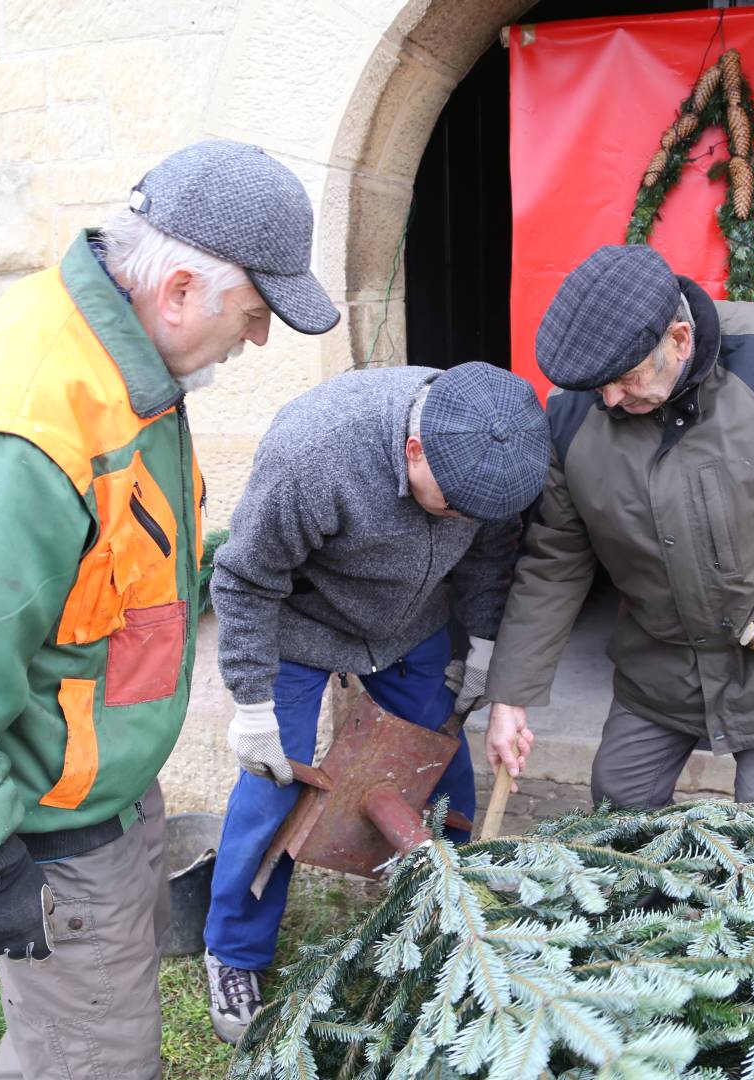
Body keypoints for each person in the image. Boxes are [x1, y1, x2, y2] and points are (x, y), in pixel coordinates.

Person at [0, 140, 340, 1080]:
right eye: (256, 313)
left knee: (65, 1049)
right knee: (95, 1062)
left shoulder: (132, 369)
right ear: (181, 288)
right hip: (52, 836)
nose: (258, 340)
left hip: (107, 798)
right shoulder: (18, 423)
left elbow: (113, 575)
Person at [483, 243, 754, 816]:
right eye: (597, 387)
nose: (609, 400)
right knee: (619, 805)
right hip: (659, 664)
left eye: (624, 379)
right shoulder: (579, 411)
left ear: (679, 339)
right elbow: (554, 560)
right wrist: (510, 695)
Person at [202, 361, 551, 1043]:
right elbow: (243, 581)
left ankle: (445, 907)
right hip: (302, 629)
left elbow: (486, 559)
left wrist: (481, 643)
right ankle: (235, 951)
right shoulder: (317, 451)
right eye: (448, 504)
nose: (459, 518)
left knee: (438, 761)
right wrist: (250, 704)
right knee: (275, 785)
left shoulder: (494, 456)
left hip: (409, 624)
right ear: (414, 449)